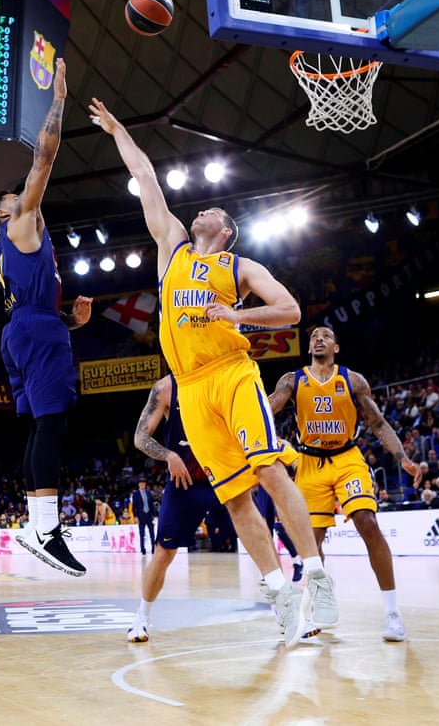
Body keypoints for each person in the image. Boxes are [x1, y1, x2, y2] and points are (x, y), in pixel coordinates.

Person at [90, 97, 339, 647]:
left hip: (231, 373)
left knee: (269, 469)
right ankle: (279, 592)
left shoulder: (239, 267)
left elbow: (291, 310)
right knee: (235, 499)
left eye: (212, 212)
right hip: (190, 387)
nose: (201, 211)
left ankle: (317, 577)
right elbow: (145, 176)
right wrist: (116, 129)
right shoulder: (172, 250)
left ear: (225, 231)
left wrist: (237, 315)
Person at [0, 57, 92, 578]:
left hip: (23, 329)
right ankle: (46, 530)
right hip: (33, 328)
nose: (24, 194)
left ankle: (35, 523)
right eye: (16, 195)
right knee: (53, 423)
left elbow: (28, 304)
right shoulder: (21, 221)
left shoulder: (11, 247)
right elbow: (45, 158)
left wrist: (68, 322)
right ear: (4, 211)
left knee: (39, 426)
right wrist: (60, 98)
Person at [268, 325, 422, 642]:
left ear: (336, 347)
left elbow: (378, 423)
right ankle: (318, 603)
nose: (318, 339)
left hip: (346, 458)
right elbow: (270, 407)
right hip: (309, 462)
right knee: (311, 543)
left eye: (325, 336)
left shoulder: (353, 380)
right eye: (314, 336)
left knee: (367, 521)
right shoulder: (292, 380)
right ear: (308, 347)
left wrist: (402, 457)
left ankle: (393, 612)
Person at [126, 375, 231, 642]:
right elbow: (140, 437)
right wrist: (169, 455)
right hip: (183, 483)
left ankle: (282, 609)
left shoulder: (220, 379)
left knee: (256, 539)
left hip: (222, 477)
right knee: (163, 553)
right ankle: (141, 617)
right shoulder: (165, 388)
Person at [130, 478, 156, 555]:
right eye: (141, 484)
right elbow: (134, 507)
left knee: (152, 534)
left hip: (149, 515)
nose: (142, 485)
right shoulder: (136, 494)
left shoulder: (148, 493)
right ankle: (142, 549)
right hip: (141, 516)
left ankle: (153, 548)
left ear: (145, 484)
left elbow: (151, 505)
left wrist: (153, 515)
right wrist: (135, 516)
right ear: (139, 485)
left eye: (143, 483)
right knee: (142, 534)